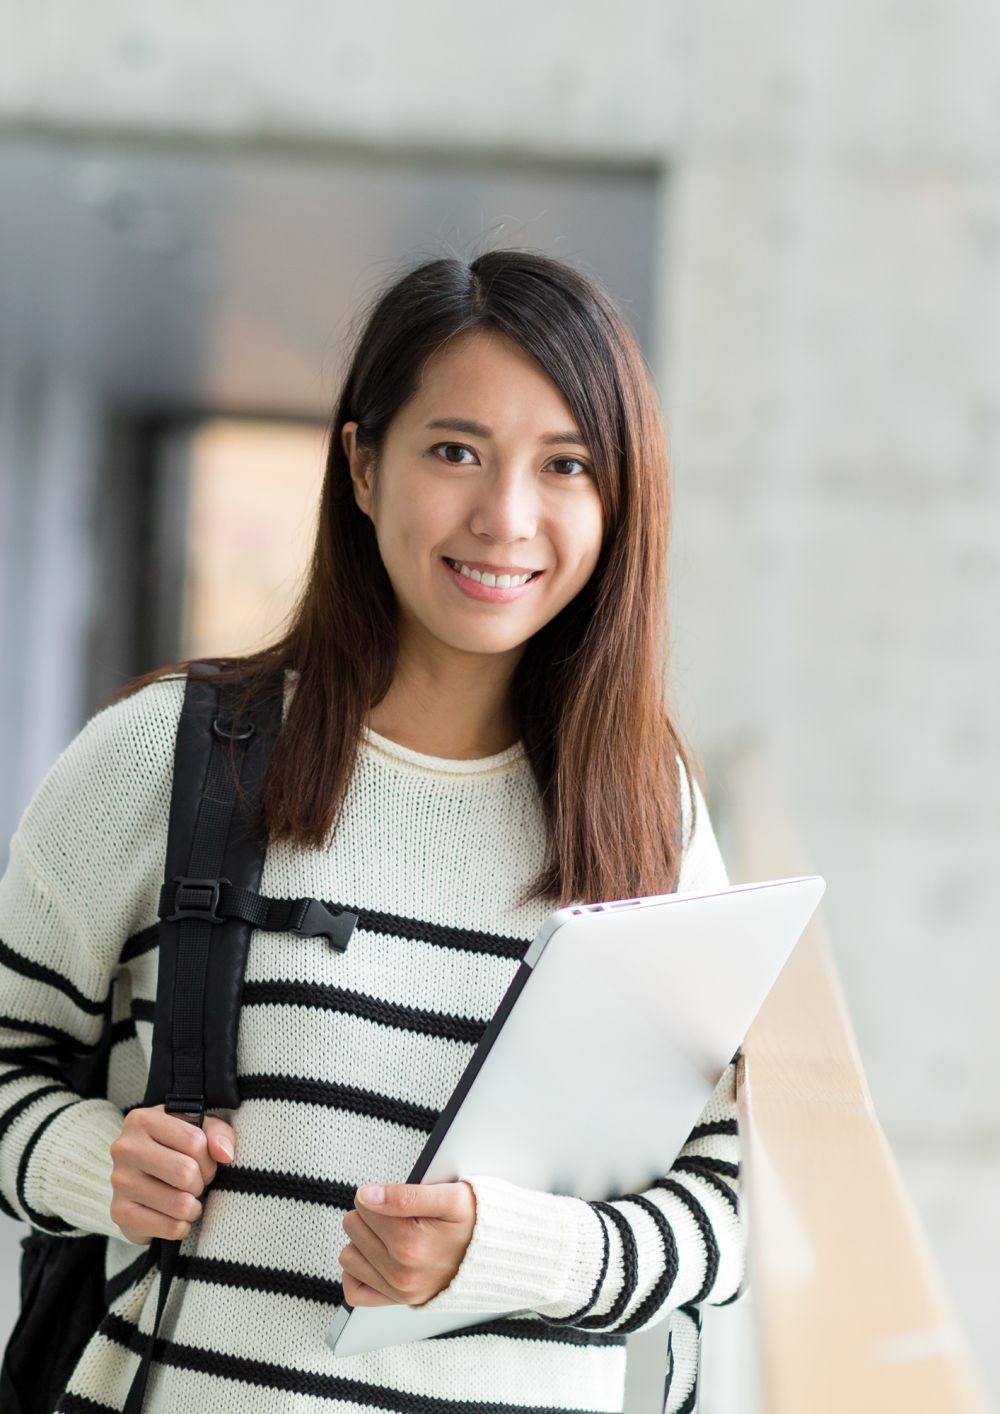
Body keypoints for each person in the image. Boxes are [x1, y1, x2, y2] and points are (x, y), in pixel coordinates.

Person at [0, 248, 746, 1414]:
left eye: (566, 465)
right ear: (360, 463)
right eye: (454, 451)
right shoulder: (166, 758)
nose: (504, 517)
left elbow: (724, 1212)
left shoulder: (650, 816)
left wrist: (504, 1254)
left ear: (619, 500)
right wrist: (87, 1162)